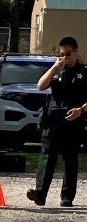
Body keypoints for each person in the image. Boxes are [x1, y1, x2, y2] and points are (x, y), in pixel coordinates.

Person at [27, 36, 87, 208]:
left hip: (73, 118)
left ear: (76, 51)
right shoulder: (56, 70)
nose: (65, 57)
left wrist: (81, 110)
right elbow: (40, 85)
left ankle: (67, 196)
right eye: (62, 54)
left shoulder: (84, 72)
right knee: (47, 156)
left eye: (68, 53)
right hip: (53, 119)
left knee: (70, 158)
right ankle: (40, 193)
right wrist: (54, 67)